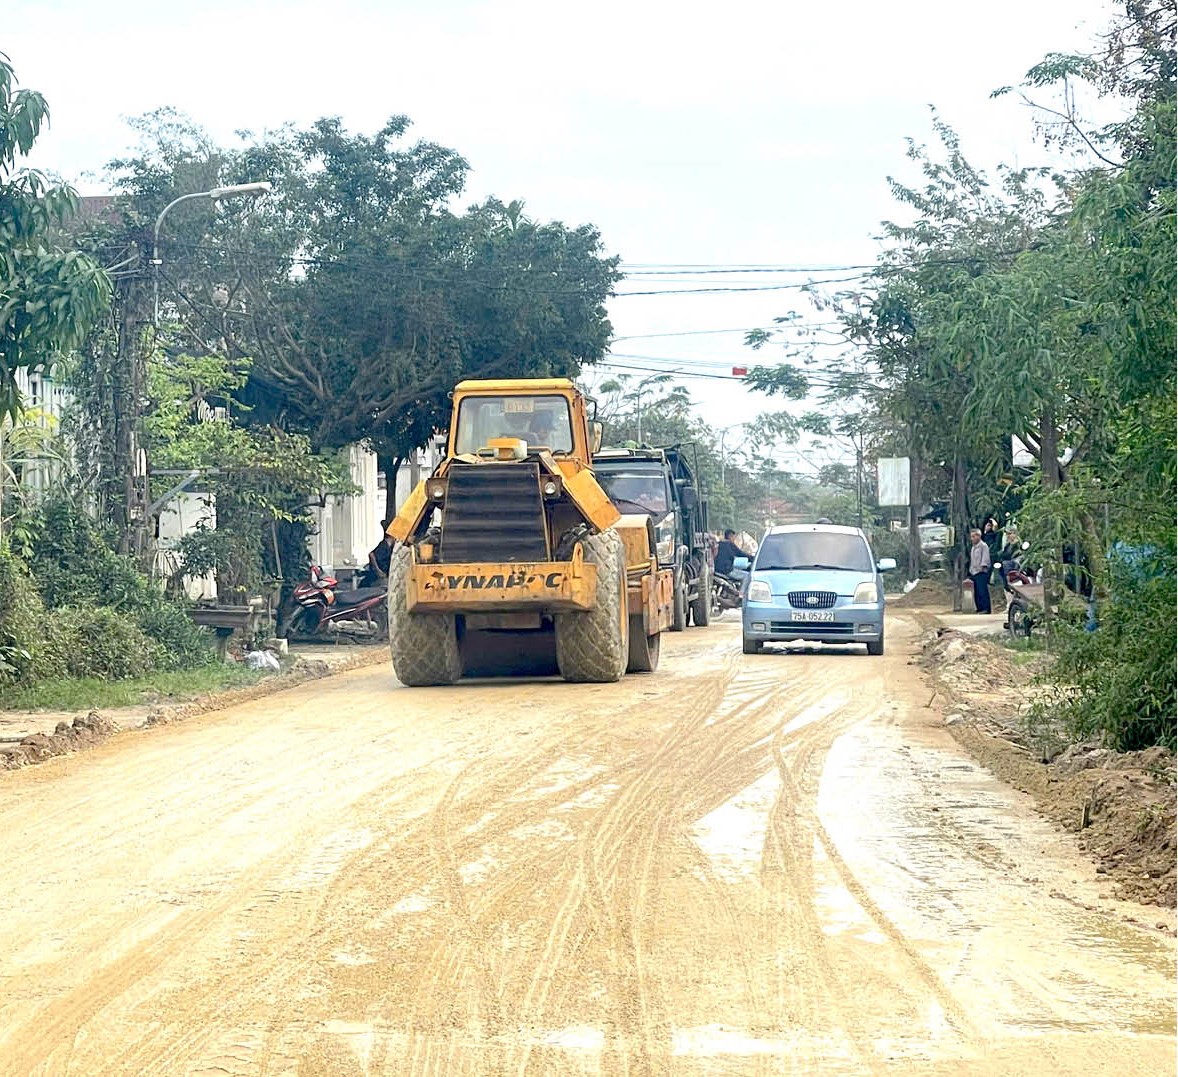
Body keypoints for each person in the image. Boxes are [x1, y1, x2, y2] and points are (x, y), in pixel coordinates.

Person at [361, 519, 395, 587]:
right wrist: (378, 571)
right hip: (378, 576)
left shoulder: (389, 547)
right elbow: (371, 555)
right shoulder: (384, 546)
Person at [968, 527, 992, 614]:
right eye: (971, 537)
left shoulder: (983, 546)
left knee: (983, 591)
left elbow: (985, 558)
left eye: (974, 536)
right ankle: (979, 608)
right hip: (974, 571)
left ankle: (986, 608)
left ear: (978, 536)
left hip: (981, 571)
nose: (972, 539)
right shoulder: (973, 547)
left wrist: (983, 567)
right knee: (977, 592)